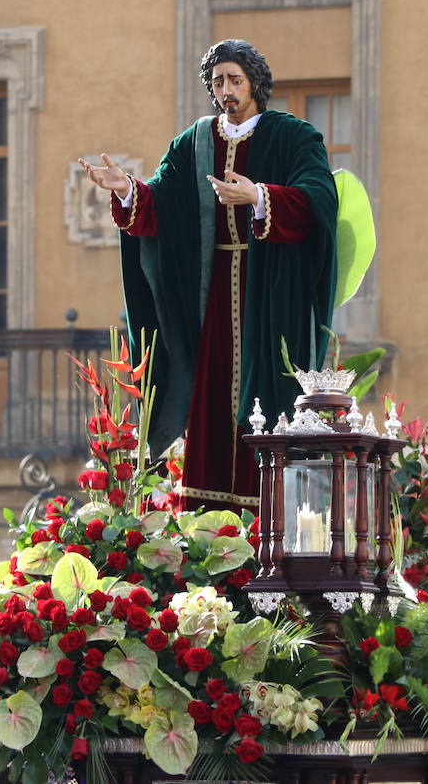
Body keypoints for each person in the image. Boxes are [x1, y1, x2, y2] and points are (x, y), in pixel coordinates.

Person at [81, 39, 337, 510]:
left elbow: (319, 197)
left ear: (255, 83)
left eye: (235, 80)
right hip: (211, 290)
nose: (226, 90)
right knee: (211, 392)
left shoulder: (293, 136)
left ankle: (273, 516)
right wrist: (127, 191)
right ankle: (208, 519)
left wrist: (259, 196)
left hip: (271, 292)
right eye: (218, 81)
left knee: (268, 390)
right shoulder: (195, 142)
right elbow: (164, 201)